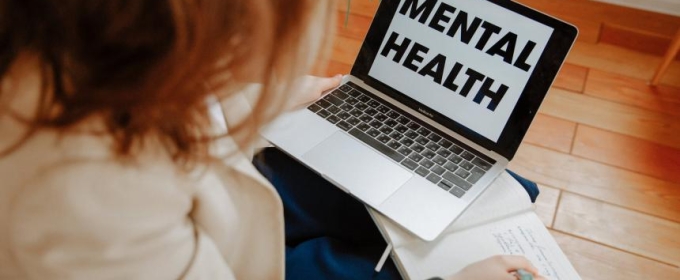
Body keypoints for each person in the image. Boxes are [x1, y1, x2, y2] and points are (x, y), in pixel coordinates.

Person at [0, 0, 545, 279]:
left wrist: (266, 96)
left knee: (501, 188)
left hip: (212, 187)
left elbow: (181, 98)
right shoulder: (83, 195)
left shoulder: (94, 38)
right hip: (220, 252)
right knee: (371, 258)